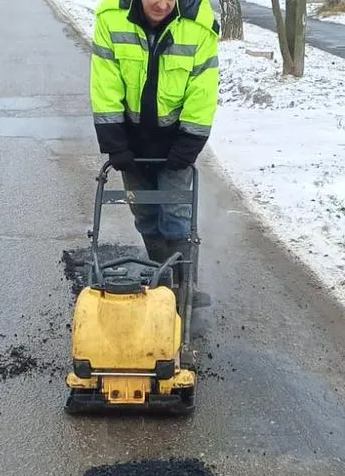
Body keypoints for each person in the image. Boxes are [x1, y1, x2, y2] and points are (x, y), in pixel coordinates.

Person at [90, 0, 219, 308]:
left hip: (176, 141)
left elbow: (203, 90)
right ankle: (163, 280)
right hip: (131, 142)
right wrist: (116, 145)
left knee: (175, 216)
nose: (160, 4)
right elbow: (105, 83)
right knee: (145, 215)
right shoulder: (111, 19)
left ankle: (184, 288)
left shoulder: (198, 26)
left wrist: (187, 147)